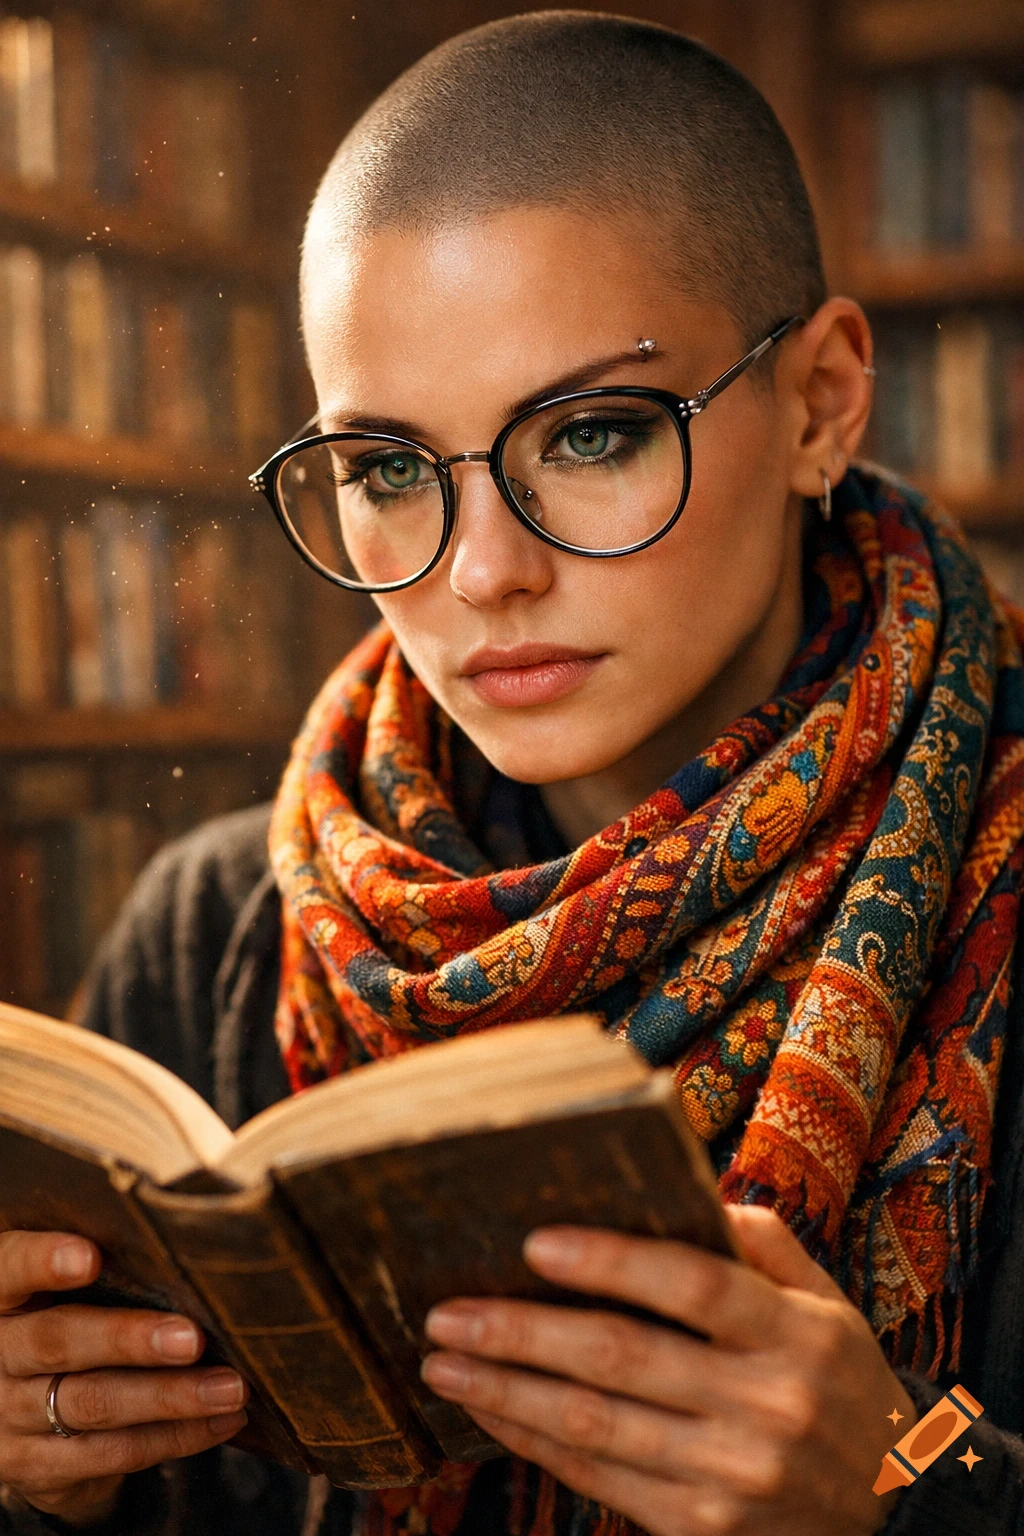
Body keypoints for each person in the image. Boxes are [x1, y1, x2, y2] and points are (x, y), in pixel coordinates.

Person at [3, 11, 1024, 1535]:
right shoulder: (214, 927)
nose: (482, 574)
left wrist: (911, 1496)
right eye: (387, 470)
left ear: (819, 404)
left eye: (596, 436)